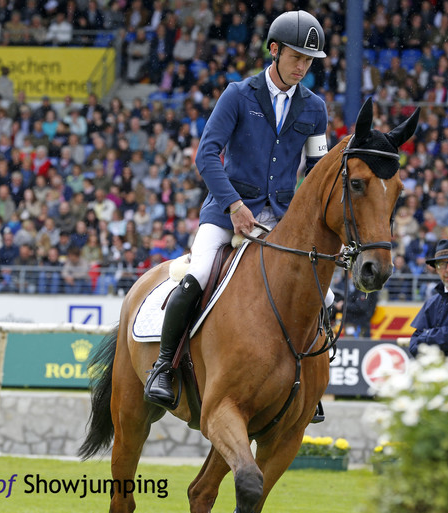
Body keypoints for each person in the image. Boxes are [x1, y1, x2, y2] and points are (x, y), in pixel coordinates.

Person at [145, 10, 329, 409]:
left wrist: (302, 218)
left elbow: (316, 170)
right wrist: (233, 205)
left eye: (309, 60)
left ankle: (307, 383)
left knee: (321, 296)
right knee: (196, 275)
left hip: (281, 218)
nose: (303, 66)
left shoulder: (315, 108)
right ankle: (164, 365)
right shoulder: (238, 94)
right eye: (297, 56)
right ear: (274, 50)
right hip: (227, 212)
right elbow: (206, 155)